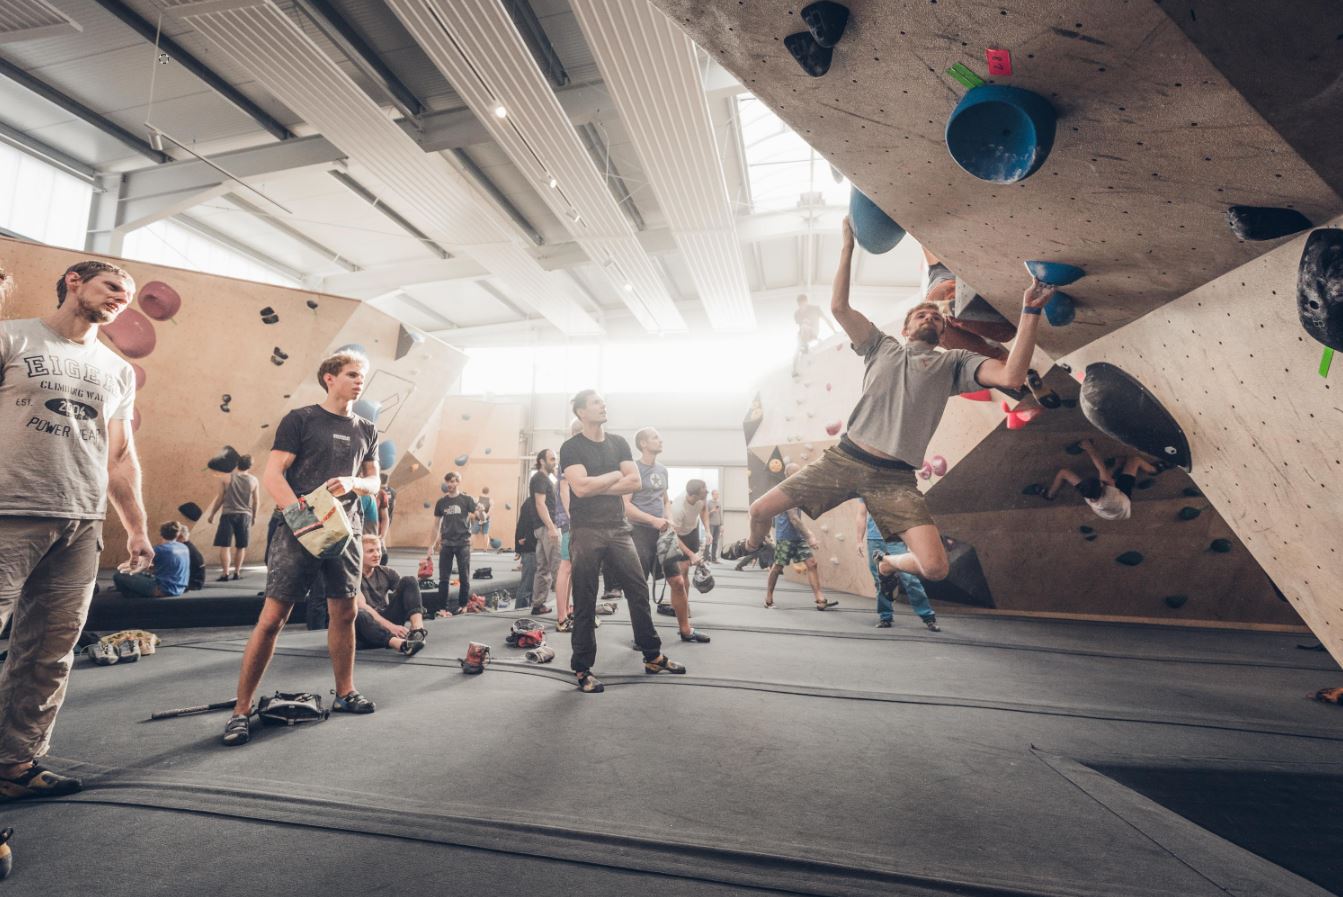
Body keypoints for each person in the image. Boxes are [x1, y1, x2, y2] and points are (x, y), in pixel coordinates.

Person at [722, 217, 1053, 596]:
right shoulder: (880, 346)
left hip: (894, 478)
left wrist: (1030, 312)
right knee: (759, 511)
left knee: (936, 568)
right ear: (906, 328)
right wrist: (847, 248)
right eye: (921, 315)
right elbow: (840, 307)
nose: (929, 317)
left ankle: (888, 563)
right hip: (844, 460)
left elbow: (1012, 377)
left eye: (936, 317)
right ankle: (752, 546)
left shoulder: (955, 363)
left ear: (943, 332)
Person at [0, 260, 151, 800]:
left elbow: (121, 457)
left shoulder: (118, 370)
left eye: (128, 295)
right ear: (74, 282)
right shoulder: (12, 337)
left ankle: (16, 763)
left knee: (50, 651)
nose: (121, 299)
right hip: (10, 511)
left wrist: (137, 527)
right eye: (112, 286)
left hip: (82, 522)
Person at [222, 350, 380, 747]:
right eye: (351, 374)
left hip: (344, 530)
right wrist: (301, 516)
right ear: (329, 377)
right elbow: (273, 473)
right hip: (298, 529)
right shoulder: (301, 419)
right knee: (273, 617)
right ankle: (241, 711)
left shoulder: (367, 429)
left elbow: (376, 482)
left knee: (344, 612)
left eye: (363, 375)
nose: (359, 380)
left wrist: (356, 484)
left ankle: (345, 693)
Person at [560, 390, 685, 693]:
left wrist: (596, 483)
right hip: (586, 529)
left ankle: (652, 655)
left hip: (618, 528)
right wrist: (614, 476)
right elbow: (579, 489)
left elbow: (634, 482)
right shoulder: (571, 447)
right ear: (581, 412)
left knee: (639, 591)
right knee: (587, 598)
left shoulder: (618, 443)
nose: (603, 405)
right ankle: (583, 668)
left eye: (603, 401)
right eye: (595, 403)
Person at [859, 503, 940, 631]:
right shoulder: (866, 487)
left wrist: (911, 542)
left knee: (909, 579)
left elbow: (911, 515)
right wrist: (859, 540)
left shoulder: (896, 489)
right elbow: (861, 515)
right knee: (880, 580)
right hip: (874, 540)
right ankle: (885, 617)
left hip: (896, 539)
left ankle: (928, 617)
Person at [763, 465, 834, 611]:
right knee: (778, 566)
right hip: (785, 536)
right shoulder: (786, 491)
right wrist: (810, 536)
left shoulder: (798, 490)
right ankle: (768, 598)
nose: (799, 475)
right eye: (795, 473)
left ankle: (819, 598)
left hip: (797, 536)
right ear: (787, 474)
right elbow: (794, 518)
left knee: (812, 563)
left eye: (799, 472)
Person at [1043, 438, 1157, 520]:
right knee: (1134, 460)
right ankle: (1154, 470)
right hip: (1122, 501)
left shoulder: (1087, 493)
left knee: (1064, 473)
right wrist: (1088, 447)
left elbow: (1101, 474)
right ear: (1102, 485)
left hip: (1108, 512)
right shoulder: (1109, 490)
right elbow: (1100, 466)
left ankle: (1050, 495)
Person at [353, 535, 427, 656]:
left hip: (386, 618)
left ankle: (418, 632)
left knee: (410, 580)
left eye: (378, 550)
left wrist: (420, 577)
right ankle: (401, 645)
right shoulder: (352, 577)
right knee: (359, 614)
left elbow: (407, 592)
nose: (377, 554)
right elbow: (363, 607)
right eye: (371, 551)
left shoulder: (387, 572)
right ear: (359, 554)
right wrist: (392, 627)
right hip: (368, 626)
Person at [663, 480, 712, 642]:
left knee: (686, 571)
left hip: (692, 531)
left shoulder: (701, 499)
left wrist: (708, 530)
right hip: (678, 536)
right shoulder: (678, 508)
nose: (707, 491)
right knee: (681, 572)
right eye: (704, 490)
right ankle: (681, 608)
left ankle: (684, 603)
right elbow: (674, 537)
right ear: (693, 494)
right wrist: (691, 554)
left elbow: (704, 510)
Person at [205, 454, 259, 581]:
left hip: (228, 515)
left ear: (237, 464)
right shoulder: (254, 480)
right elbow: (256, 501)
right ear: (250, 466)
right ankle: (237, 572)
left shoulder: (226, 478)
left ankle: (225, 573)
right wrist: (254, 517)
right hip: (245, 515)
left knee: (225, 546)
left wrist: (212, 514)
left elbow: (220, 499)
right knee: (241, 546)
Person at [430, 472, 478, 615]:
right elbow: (436, 525)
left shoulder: (467, 500)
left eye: (452, 481)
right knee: (444, 578)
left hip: (463, 543)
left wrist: (481, 511)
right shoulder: (441, 502)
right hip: (446, 544)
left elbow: (480, 517)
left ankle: (462, 605)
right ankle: (442, 608)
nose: (450, 485)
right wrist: (430, 545)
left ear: (458, 482)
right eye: (448, 482)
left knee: (464, 577)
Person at [553, 419, 582, 631]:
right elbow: (564, 488)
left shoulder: (581, 455)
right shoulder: (569, 454)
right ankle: (561, 617)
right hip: (569, 520)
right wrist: (573, 517)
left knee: (572, 567)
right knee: (566, 566)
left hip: (581, 518)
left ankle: (568, 610)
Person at [113, 522, 191, 598]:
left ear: (161, 534)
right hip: (180, 589)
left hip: (163, 589)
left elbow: (135, 564)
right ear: (177, 534)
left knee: (119, 574)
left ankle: (132, 596)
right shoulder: (184, 548)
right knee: (141, 575)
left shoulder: (159, 550)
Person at [529, 449, 559, 615]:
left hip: (541, 528)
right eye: (552, 459)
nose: (555, 462)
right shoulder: (540, 478)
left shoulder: (544, 478)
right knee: (559, 568)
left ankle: (538, 604)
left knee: (543, 568)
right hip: (547, 527)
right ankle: (565, 610)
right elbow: (540, 504)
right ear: (542, 461)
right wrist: (552, 527)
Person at [177, 523, 207, 591]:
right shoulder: (188, 546)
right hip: (196, 581)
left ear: (181, 537)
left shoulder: (184, 549)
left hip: (192, 583)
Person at [471, 485, 492, 551]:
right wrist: (484, 518)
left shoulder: (477, 499)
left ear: (482, 491)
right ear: (488, 492)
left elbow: (475, 510)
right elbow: (490, 511)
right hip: (486, 519)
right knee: (486, 533)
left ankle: (471, 548)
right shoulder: (491, 500)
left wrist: (480, 518)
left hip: (478, 519)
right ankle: (485, 549)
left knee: (473, 533)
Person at [706, 489, 723, 562]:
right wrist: (712, 511)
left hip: (718, 525)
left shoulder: (719, 503)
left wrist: (722, 525)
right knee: (709, 541)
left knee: (715, 542)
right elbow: (705, 514)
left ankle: (714, 558)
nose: (717, 496)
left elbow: (720, 514)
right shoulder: (708, 503)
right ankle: (705, 558)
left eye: (718, 494)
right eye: (716, 494)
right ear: (712, 495)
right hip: (711, 524)